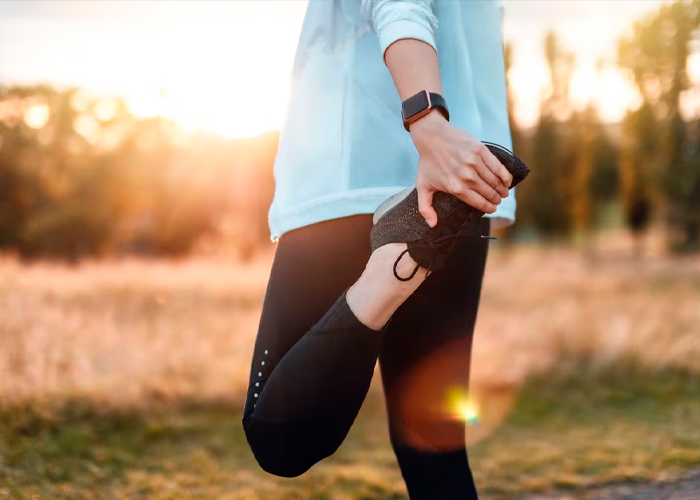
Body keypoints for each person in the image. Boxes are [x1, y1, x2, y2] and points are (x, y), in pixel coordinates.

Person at [241, 1, 526, 498]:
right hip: (464, 184)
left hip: (353, 171)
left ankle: (388, 273)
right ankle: (406, 257)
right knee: (434, 451)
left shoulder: (418, 134)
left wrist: (427, 123)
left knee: (277, 438)